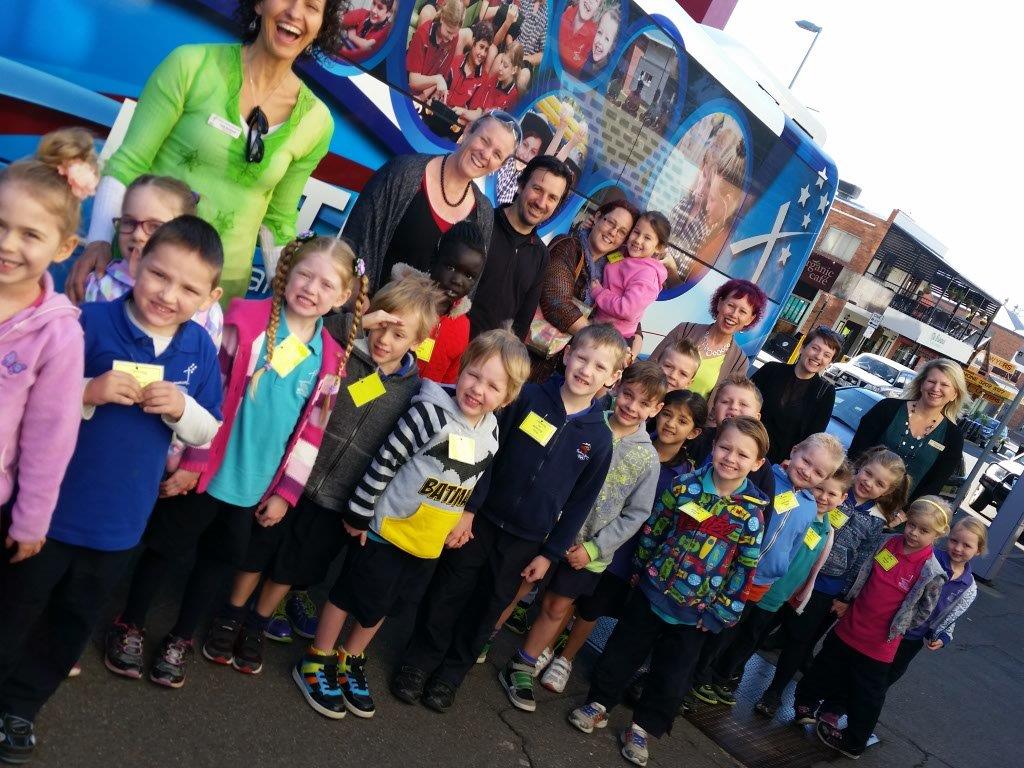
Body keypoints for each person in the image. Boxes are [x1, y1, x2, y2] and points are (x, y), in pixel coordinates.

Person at [0, 217, 224, 763]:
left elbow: (208, 429)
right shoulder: (88, 323)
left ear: (209, 297)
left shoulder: (199, 347)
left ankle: (21, 709)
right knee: (12, 610)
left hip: (120, 527)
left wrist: (183, 409)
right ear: (137, 262)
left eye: (188, 288)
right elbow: (29, 398)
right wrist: (86, 391)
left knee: (70, 623)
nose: (168, 295)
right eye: (160, 275)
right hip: (47, 513)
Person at [103, 233, 361, 688]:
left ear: (342, 297)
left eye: (326, 284)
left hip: (252, 485)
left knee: (217, 563)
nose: (311, 288)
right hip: (204, 473)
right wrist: (191, 460)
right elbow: (209, 393)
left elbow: (312, 434)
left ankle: (181, 638)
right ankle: (131, 623)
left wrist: (285, 493)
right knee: (164, 549)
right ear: (287, 272)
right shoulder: (244, 321)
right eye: (304, 274)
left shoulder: (331, 362)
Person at [294, 329, 530, 720]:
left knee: (385, 604)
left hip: (426, 543)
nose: (477, 389)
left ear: (507, 397)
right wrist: (359, 512)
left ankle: (350, 657)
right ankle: (318, 657)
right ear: (462, 368)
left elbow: (470, 479)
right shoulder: (429, 412)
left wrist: (463, 516)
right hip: (385, 530)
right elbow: (386, 460)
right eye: (473, 375)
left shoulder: (491, 430)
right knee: (349, 594)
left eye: (493, 386)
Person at [392, 324, 626, 712]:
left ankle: (450, 676)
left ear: (613, 377)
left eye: (599, 367)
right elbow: (488, 455)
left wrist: (549, 554)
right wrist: (469, 509)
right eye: (582, 358)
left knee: (488, 609)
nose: (587, 370)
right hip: (480, 521)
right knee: (447, 592)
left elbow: (580, 503)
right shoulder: (528, 397)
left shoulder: (600, 439)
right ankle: (418, 663)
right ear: (567, 354)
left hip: (526, 541)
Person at [68, 0, 343, 303]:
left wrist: (290, 299)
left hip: (216, 293)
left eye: (311, 6)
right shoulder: (190, 64)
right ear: (259, 4)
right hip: (142, 270)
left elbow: (278, 222)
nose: (295, 12)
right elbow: (129, 163)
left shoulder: (317, 122)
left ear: (321, 27)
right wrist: (98, 241)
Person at [239, 275, 443, 645]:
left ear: (417, 342)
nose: (384, 339)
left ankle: (257, 623)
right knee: (258, 550)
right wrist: (358, 323)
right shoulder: (341, 349)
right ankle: (230, 615)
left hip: (336, 498)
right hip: (292, 477)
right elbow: (317, 327)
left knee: (292, 566)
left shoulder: (413, 392)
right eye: (380, 325)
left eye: (398, 334)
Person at [568, 416, 770, 768]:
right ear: (713, 446)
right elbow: (656, 528)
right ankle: (599, 702)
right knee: (622, 651)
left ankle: (643, 728)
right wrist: (640, 570)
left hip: (697, 614)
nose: (730, 458)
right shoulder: (684, 486)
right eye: (725, 447)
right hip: (651, 592)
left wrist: (722, 612)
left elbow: (744, 569)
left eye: (742, 454)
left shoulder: (751, 516)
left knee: (672, 676)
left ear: (757, 463)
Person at [499, 361, 666, 711]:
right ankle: (484, 635)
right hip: (547, 531)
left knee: (557, 607)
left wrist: (594, 548)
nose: (632, 406)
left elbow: (636, 513)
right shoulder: (587, 421)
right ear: (617, 387)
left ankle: (523, 664)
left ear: (655, 409)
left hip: (587, 551)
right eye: (628, 395)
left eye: (643, 403)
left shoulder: (648, 459)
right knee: (518, 586)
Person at [539, 389, 708, 694]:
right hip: (593, 538)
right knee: (567, 597)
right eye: (667, 414)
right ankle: (546, 646)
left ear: (694, 432)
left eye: (682, 421)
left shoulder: (686, 476)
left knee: (592, 608)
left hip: (627, 553)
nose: (670, 424)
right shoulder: (631, 442)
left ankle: (566, 658)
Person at [689, 432, 846, 706]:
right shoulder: (764, 478)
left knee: (734, 632)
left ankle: (707, 677)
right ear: (794, 450)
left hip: (762, 580)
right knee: (712, 627)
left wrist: (778, 571)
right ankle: (693, 678)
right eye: (806, 461)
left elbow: (795, 545)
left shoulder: (810, 507)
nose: (807, 471)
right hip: (732, 571)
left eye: (818, 472)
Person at [756, 447, 909, 715]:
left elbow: (862, 561)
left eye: (879, 483)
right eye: (868, 473)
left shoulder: (877, 521)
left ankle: (774, 692)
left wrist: (845, 596)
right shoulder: (831, 487)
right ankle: (730, 669)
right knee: (762, 621)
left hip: (827, 587)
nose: (869, 483)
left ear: (887, 491)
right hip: (792, 571)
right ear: (860, 466)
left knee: (800, 640)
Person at [0, 129, 92, 574]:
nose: (7, 243)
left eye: (30, 234)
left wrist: (31, 520)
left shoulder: (59, 336)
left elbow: (50, 438)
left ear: (64, 248)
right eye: (1, 226)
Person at [794, 497, 949, 760]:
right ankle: (805, 704)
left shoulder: (931, 571)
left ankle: (854, 742)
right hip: (851, 626)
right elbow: (864, 574)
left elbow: (925, 610)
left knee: (868, 695)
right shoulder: (887, 543)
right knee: (825, 667)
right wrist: (849, 600)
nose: (914, 533)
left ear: (938, 534)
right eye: (912, 525)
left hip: (880, 644)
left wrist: (900, 626)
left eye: (924, 530)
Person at [818, 515, 986, 731]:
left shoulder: (968, 586)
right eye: (954, 541)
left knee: (884, 680)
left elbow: (951, 615)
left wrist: (943, 635)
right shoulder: (928, 558)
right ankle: (834, 708)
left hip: (912, 639)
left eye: (967, 545)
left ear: (978, 550)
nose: (958, 548)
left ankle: (856, 719)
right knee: (861, 672)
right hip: (888, 629)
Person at [343, 111, 520, 292]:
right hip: (369, 306)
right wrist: (360, 299)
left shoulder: (484, 212)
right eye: (484, 140)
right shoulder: (403, 173)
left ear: (499, 166)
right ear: (468, 131)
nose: (486, 154)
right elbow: (355, 243)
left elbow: (468, 288)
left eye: (497, 154)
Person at [84, 174, 223, 346]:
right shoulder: (100, 285)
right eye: (129, 222)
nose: (137, 234)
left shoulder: (207, 310)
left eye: (155, 226)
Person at [529, 198, 640, 382]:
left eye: (622, 232)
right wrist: (604, 342)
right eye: (610, 223)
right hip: (529, 356)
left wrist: (631, 344)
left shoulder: (610, 272)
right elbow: (556, 302)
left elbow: (628, 315)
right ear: (597, 217)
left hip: (565, 372)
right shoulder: (568, 246)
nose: (613, 233)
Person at [469, 155, 574, 339]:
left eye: (552, 198)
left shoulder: (541, 255)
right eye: (537, 189)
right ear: (521, 184)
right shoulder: (482, 222)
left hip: (491, 354)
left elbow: (522, 324)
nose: (541, 202)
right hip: (449, 341)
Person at [848, 358, 967, 501]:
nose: (936, 388)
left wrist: (908, 511)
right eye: (931, 381)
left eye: (945, 385)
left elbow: (935, 484)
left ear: (954, 394)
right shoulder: (887, 408)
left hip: (898, 513)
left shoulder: (953, 437)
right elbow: (855, 453)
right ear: (921, 384)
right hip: (853, 495)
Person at [389, 221, 486, 384]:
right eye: (451, 267)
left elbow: (448, 382)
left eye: (469, 276)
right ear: (434, 259)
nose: (457, 281)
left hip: (425, 400)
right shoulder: (400, 301)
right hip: (378, 393)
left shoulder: (462, 326)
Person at [650, 278, 767, 398]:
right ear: (720, 304)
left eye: (742, 311)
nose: (734, 314)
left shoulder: (739, 362)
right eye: (731, 305)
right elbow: (650, 366)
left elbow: (724, 402)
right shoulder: (684, 330)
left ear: (750, 319)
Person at [752, 326, 842, 464]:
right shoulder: (771, 370)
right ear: (802, 348)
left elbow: (813, 438)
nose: (818, 356)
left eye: (827, 355)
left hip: (779, 465)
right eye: (815, 348)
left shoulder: (826, 393)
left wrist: (793, 460)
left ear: (829, 362)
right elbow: (744, 401)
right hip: (746, 447)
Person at [590, 210, 669, 358]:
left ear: (659, 247)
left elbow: (627, 309)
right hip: (600, 325)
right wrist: (590, 227)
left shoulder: (648, 274)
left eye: (647, 238)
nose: (638, 240)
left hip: (615, 338)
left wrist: (599, 293)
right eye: (636, 232)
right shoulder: (624, 253)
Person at [407, 0, 467, 103]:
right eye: (449, 32)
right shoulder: (423, 34)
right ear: (442, 18)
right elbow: (413, 81)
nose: (451, 37)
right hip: (405, 88)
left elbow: (441, 74)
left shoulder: (453, 38)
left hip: (423, 97)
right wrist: (437, 79)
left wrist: (423, 97)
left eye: (454, 33)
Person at [558, 0, 600, 76]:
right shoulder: (567, 12)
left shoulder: (593, 36)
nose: (591, 1)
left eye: (596, 0)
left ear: (598, 8)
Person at [578, 5, 620, 80]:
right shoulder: (586, 53)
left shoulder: (607, 73)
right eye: (599, 32)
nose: (600, 41)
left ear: (612, 46)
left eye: (607, 39)